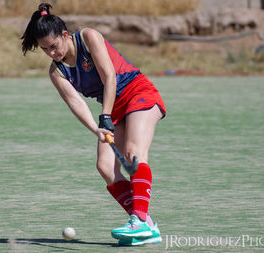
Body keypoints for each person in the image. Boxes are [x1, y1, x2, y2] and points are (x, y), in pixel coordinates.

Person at [21, 3, 167, 246]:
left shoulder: (88, 37)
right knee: (104, 166)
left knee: (133, 153)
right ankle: (146, 225)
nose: (52, 53)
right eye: (45, 50)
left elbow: (109, 76)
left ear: (65, 35)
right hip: (112, 109)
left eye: (54, 46)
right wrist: (96, 128)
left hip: (137, 92)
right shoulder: (57, 72)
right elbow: (75, 103)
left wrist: (105, 116)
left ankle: (139, 221)